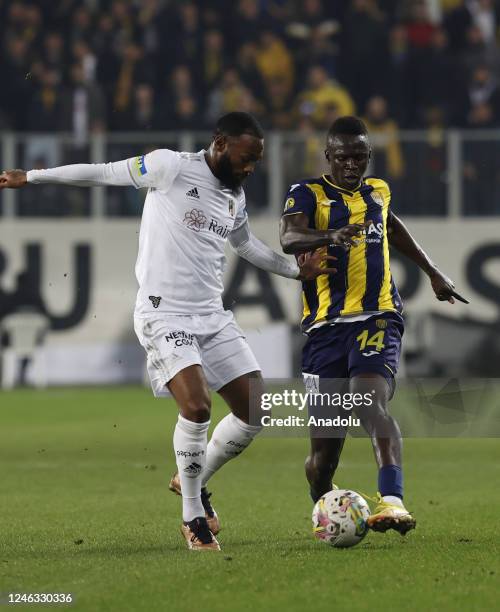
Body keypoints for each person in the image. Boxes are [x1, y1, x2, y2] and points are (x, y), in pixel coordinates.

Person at [0, 112, 338, 551]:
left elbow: (247, 246)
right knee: (196, 408)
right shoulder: (170, 166)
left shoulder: (234, 196)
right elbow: (104, 173)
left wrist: (296, 271)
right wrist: (33, 176)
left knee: (257, 410)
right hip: (164, 314)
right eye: (245, 157)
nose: (250, 167)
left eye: (256, 160)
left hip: (211, 316)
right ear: (219, 142)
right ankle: (193, 516)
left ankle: (192, 480)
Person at [279, 116, 457, 535]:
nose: (351, 165)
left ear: (369, 157)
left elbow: (390, 224)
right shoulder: (307, 193)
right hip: (324, 329)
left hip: (377, 317)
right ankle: (325, 503)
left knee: (367, 401)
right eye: (343, 157)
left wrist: (432, 271)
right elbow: (289, 238)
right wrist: (330, 236)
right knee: (322, 460)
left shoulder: (378, 191)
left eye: (359, 157)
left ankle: (392, 500)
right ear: (328, 156)